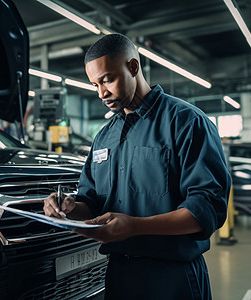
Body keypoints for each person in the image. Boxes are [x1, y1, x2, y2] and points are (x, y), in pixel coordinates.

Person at [43, 33, 231, 300]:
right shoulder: (104, 136)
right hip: (119, 276)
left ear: (133, 67)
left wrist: (136, 226)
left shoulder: (187, 123)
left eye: (107, 79)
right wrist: (70, 209)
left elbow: (208, 208)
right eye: (95, 84)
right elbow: (91, 201)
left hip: (173, 278)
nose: (101, 93)